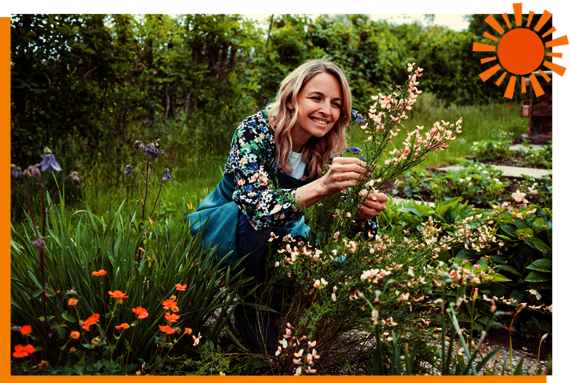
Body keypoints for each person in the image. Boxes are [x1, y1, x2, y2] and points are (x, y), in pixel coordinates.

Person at [184, 58, 388, 353]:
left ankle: (281, 299)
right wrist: (323, 186)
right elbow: (255, 208)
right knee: (256, 222)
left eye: (335, 103)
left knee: (335, 253)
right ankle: (249, 304)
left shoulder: (326, 149)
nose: (326, 110)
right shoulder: (255, 132)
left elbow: (360, 235)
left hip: (283, 232)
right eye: (316, 98)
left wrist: (359, 214)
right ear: (292, 100)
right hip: (224, 228)